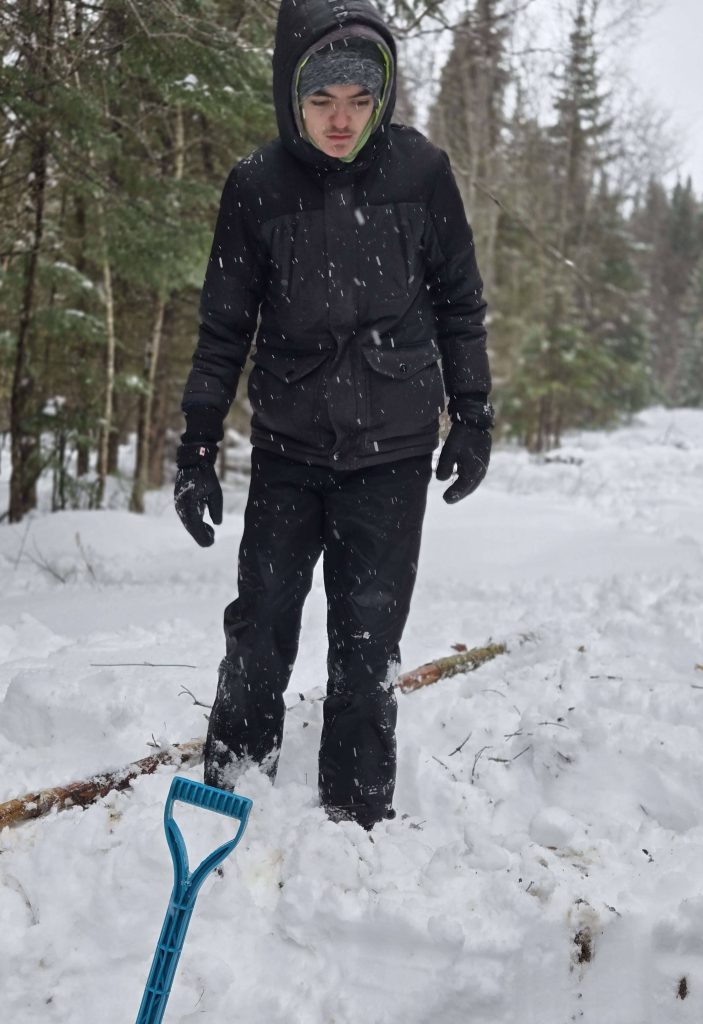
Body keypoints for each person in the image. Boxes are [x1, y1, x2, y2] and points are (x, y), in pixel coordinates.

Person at [175, 0, 494, 830]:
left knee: (367, 644)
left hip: (393, 453)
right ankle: (232, 787)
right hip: (289, 450)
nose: (342, 119)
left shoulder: (422, 174)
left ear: (382, 95)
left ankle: (355, 817)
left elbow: (459, 304)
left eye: (359, 98)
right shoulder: (256, 186)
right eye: (322, 100)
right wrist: (197, 444)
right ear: (292, 96)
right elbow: (223, 329)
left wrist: (474, 414)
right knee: (259, 628)